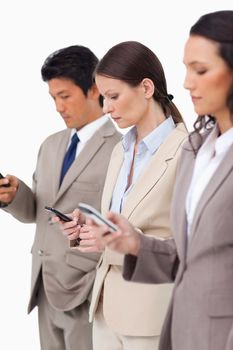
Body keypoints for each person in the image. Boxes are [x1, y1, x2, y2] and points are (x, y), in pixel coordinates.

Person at [82, 11, 233, 350]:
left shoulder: (183, 148)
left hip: (167, 319)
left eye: (201, 70)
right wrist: (128, 241)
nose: (187, 83)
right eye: (186, 68)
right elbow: (186, 254)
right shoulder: (199, 148)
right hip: (145, 318)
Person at [58, 41, 188, 350]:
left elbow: (190, 246)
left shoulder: (188, 151)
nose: (105, 109)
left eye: (113, 96)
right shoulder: (120, 150)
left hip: (151, 316)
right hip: (104, 311)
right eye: (103, 98)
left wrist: (114, 242)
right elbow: (120, 219)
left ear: (146, 87)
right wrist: (85, 227)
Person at [0, 45, 121, 350]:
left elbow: (121, 222)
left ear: (94, 89)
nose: (58, 106)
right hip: (43, 285)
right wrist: (15, 196)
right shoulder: (50, 145)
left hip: (85, 291)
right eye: (53, 98)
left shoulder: (121, 149)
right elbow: (37, 212)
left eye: (64, 96)